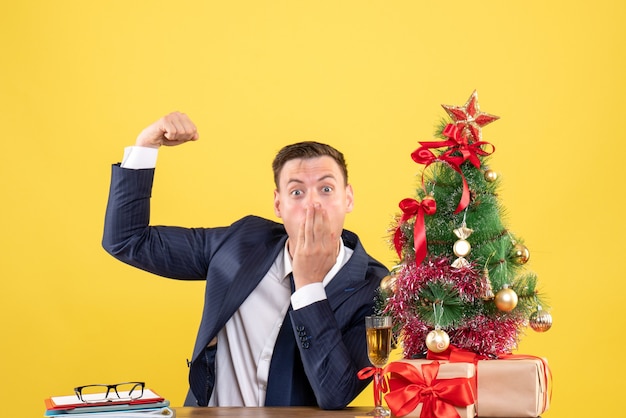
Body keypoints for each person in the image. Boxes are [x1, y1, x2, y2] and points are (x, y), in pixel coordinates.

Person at [102, 112, 388, 409]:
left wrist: (308, 285)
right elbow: (127, 240)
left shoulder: (379, 290)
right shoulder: (240, 243)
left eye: (326, 189)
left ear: (349, 198)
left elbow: (337, 394)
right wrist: (146, 146)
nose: (312, 204)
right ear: (279, 204)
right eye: (297, 192)